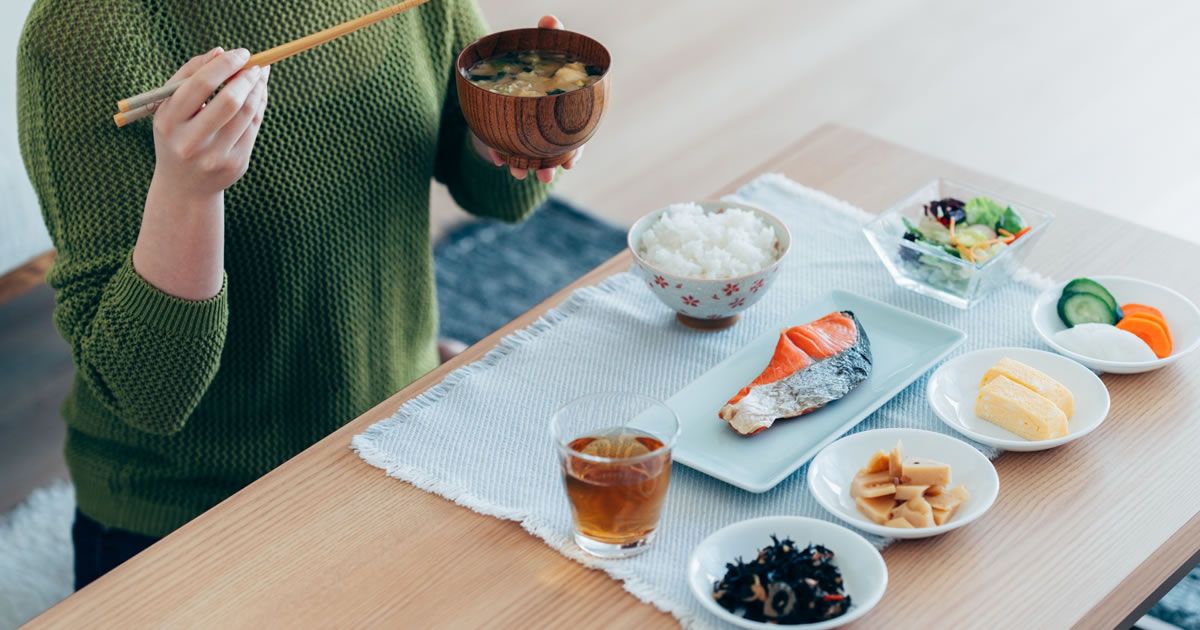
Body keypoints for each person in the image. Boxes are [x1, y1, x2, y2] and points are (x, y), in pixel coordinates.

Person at [16, 0, 579, 589]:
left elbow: (501, 197)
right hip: (191, 514)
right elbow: (147, 391)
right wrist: (189, 194)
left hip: (394, 438)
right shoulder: (82, 29)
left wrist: (513, 138)